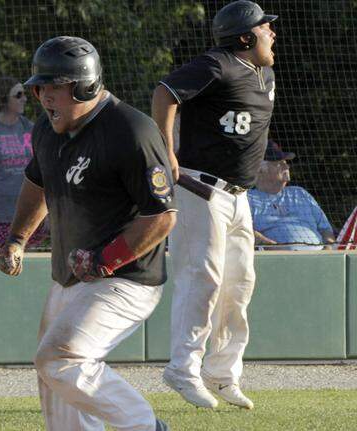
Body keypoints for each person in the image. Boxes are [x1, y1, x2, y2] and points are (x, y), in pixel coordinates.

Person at [0, 36, 175, 431]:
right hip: (69, 276)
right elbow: (38, 183)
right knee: (53, 375)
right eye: (39, 87)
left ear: (86, 86)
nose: (44, 96)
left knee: (61, 358)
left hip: (124, 278)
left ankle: (145, 426)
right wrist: (17, 239)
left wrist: (105, 260)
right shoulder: (48, 130)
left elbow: (161, 217)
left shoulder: (131, 129)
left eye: (54, 86)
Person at [151, 0, 278, 409]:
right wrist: (166, 151)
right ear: (244, 37)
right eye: (264, 27)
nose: (272, 33)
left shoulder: (263, 72)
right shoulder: (217, 63)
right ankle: (182, 368)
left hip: (239, 197)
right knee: (201, 279)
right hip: (200, 190)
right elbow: (165, 93)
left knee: (239, 285)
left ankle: (222, 374)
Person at [0, 77, 45, 247]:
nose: (24, 98)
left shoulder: (30, 128)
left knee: (29, 262)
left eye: (24, 94)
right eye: (18, 95)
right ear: (3, 98)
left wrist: (45, 212)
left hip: (28, 215)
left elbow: (43, 170)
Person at [248, 140, 334, 250]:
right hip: (278, 259)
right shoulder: (247, 199)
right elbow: (244, 231)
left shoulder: (300, 194)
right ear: (260, 169)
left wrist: (327, 251)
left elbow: (326, 230)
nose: (286, 167)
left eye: (286, 162)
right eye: (279, 163)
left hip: (320, 257)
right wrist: (275, 249)